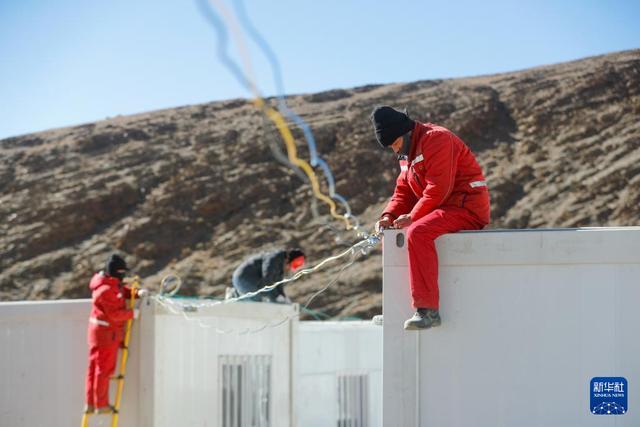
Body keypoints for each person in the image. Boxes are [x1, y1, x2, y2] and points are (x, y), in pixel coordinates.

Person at [371, 106, 490, 330]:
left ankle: (428, 311)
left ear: (404, 132)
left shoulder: (436, 139)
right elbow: (403, 192)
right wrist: (388, 216)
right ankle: (396, 310)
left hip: (466, 207)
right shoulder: (406, 153)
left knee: (418, 231)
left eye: (395, 143)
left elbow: (439, 189)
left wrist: (413, 216)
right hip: (440, 209)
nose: (395, 150)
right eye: (391, 147)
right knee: (393, 235)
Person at [84, 254, 148, 414]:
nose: (123, 276)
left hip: (100, 333)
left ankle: (91, 403)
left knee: (94, 370)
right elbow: (115, 313)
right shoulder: (105, 290)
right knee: (103, 370)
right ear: (116, 272)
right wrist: (132, 313)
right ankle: (101, 405)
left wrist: (135, 293)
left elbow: (119, 292)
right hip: (106, 335)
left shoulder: (108, 284)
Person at [231, 249, 305, 302]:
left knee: (263, 299)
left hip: (248, 279)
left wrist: (283, 296)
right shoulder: (274, 258)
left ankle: (236, 295)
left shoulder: (279, 266)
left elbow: (277, 285)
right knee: (257, 301)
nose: (288, 269)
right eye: (290, 266)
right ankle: (235, 296)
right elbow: (267, 281)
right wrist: (276, 297)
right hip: (244, 277)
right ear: (288, 260)